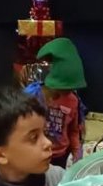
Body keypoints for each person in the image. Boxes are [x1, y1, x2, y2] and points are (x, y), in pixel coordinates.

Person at [25, 37, 87, 168]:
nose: (69, 91)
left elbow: (74, 130)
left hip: (60, 155)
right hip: (36, 153)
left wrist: (77, 150)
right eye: (66, 87)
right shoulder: (32, 95)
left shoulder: (73, 100)